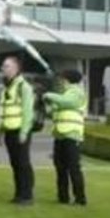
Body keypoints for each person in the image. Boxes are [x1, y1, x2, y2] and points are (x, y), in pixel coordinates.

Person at [44, 69, 87, 206]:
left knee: (73, 168)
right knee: (60, 168)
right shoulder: (63, 94)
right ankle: (63, 197)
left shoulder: (77, 93)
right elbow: (52, 111)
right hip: (60, 134)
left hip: (72, 134)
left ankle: (80, 199)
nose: (60, 81)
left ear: (67, 79)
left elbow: (67, 102)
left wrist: (49, 95)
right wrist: (45, 102)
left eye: (62, 78)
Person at [0, 55, 36, 205]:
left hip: (20, 130)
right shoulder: (7, 87)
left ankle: (27, 195)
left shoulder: (23, 87)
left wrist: (24, 132)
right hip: (9, 130)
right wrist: (0, 131)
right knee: (15, 163)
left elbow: (28, 111)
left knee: (23, 163)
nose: (3, 69)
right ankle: (19, 194)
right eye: (3, 66)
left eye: (6, 66)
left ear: (16, 68)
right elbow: (5, 111)